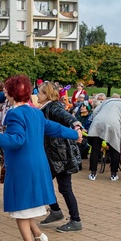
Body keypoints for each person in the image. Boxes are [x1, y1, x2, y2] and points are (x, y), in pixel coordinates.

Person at [0, 75, 82, 241]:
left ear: (13, 93)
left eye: (7, 90)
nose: (5, 93)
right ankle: (39, 237)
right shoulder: (36, 112)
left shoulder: (15, 114)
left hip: (22, 166)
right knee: (27, 209)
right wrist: (74, 133)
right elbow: (54, 127)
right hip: (38, 164)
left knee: (20, 211)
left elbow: (16, 140)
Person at [36, 82, 85, 232]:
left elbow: (67, 116)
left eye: (39, 92)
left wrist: (76, 126)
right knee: (44, 183)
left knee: (64, 188)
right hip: (54, 154)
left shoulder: (53, 107)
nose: (37, 95)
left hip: (61, 156)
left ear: (46, 95)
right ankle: (56, 211)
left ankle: (75, 220)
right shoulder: (45, 108)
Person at [86, 92, 121, 181]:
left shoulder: (107, 101)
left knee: (95, 149)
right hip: (113, 124)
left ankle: (92, 174)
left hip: (97, 122)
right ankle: (113, 175)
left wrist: (99, 120)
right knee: (115, 149)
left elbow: (95, 111)